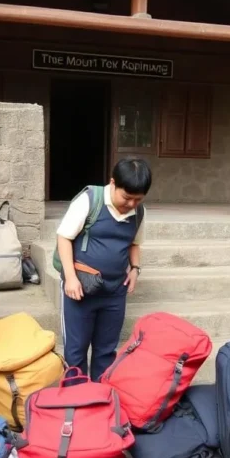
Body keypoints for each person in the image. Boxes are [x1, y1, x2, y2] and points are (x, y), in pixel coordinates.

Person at [56, 158, 150, 382]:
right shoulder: (89, 200)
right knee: (76, 351)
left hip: (115, 290)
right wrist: (70, 278)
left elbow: (134, 243)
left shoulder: (138, 212)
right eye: (126, 197)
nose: (131, 204)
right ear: (112, 183)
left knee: (106, 351)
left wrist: (135, 269)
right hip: (80, 288)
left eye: (137, 199)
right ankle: (76, 402)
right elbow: (64, 237)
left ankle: (100, 400)